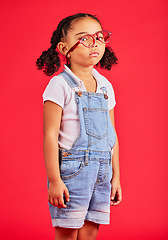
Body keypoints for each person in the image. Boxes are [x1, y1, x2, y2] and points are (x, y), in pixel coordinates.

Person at [36, 13, 122, 240]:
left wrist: (116, 177)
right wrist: (55, 180)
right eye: (84, 38)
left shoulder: (106, 86)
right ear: (64, 48)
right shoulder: (59, 84)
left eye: (99, 37)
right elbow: (50, 135)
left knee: (91, 231)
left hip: (102, 172)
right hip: (73, 171)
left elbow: (112, 137)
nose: (95, 43)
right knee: (67, 231)